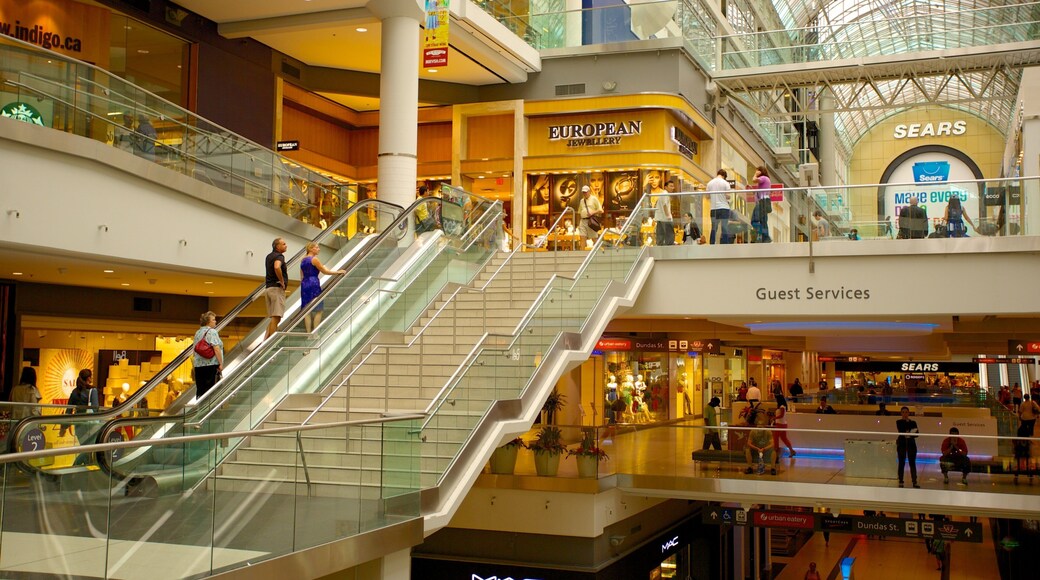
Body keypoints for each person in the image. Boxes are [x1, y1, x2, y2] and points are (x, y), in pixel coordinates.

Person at [300, 242, 347, 332]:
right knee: (319, 309)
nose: (319, 249)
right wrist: (338, 272)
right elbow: (325, 272)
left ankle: (308, 333)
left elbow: (301, 275)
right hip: (313, 283)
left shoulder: (303, 260)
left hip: (304, 284)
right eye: (317, 247)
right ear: (311, 249)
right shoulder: (314, 259)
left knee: (306, 311)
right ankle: (315, 333)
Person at [193, 311, 224, 399]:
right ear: (208, 322)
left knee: (200, 390)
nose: (215, 321)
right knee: (210, 390)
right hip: (210, 365)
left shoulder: (198, 332)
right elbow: (216, 348)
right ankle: (208, 409)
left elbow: (194, 350)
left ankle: (200, 408)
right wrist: (221, 363)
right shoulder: (212, 332)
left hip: (198, 365)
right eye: (213, 320)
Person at [265, 237, 288, 339]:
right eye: (283, 244)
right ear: (277, 246)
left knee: (274, 318)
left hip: (268, 288)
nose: (286, 245)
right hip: (276, 289)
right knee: (276, 317)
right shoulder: (279, 256)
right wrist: (282, 281)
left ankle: (265, 341)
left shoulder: (268, 256)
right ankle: (271, 343)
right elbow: (277, 266)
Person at [744, 407, 776, 475]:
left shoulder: (768, 432)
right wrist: (757, 448)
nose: (760, 428)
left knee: (774, 450)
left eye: (761, 426)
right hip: (756, 449)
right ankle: (750, 468)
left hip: (765, 449)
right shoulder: (753, 432)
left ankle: (773, 468)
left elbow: (772, 443)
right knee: (747, 449)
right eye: (759, 426)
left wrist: (764, 449)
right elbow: (749, 443)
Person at [896, 406, 920, 488]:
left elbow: (916, 433)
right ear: (901, 413)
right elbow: (902, 431)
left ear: (908, 413)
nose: (905, 414)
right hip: (902, 444)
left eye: (906, 412)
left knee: (912, 463)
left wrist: (909, 433)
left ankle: (914, 481)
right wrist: (909, 432)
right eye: (903, 412)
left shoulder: (913, 422)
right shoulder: (898, 422)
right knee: (901, 463)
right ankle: (901, 480)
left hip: (911, 445)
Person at [706, 169, 732, 244]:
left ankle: (712, 243)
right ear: (724, 176)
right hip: (724, 207)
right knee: (724, 227)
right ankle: (725, 244)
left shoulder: (710, 183)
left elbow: (707, 196)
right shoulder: (725, 183)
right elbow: (728, 196)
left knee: (714, 227)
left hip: (714, 208)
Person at [750, 166, 772, 243]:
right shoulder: (766, 180)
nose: (756, 171)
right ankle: (765, 237)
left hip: (761, 202)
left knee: (754, 220)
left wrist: (755, 175)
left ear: (761, 171)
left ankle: (759, 236)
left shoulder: (763, 178)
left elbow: (754, 180)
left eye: (757, 170)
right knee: (763, 221)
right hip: (765, 202)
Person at [772, 393, 796, 459]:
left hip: (780, 425)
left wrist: (774, 418)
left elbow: (781, 415)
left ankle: (776, 452)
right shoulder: (782, 406)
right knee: (784, 439)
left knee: (775, 438)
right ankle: (791, 451)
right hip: (782, 424)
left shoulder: (782, 407)